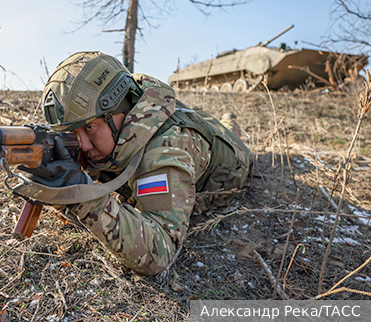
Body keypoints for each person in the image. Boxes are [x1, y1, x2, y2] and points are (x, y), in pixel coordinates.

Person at [20, 51, 253, 277]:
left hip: (234, 157)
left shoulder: (166, 151)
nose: (84, 146)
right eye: (72, 132)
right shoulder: (115, 125)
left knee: (229, 127)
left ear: (120, 110)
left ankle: (230, 118)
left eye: (89, 127)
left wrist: (85, 196)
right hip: (188, 122)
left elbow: (160, 254)